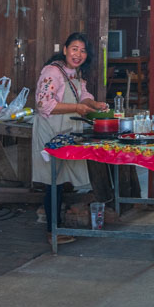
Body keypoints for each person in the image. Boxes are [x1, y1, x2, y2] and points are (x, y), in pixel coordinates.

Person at [33, 32, 106, 244]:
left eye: (83, 51)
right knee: (52, 182)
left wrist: (94, 104)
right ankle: (52, 232)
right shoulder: (52, 71)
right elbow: (44, 104)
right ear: (65, 50)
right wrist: (77, 108)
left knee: (59, 182)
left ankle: (56, 227)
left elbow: (82, 94)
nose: (78, 54)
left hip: (65, 133)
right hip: (50, 133)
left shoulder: (73, 72)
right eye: (74, 49)